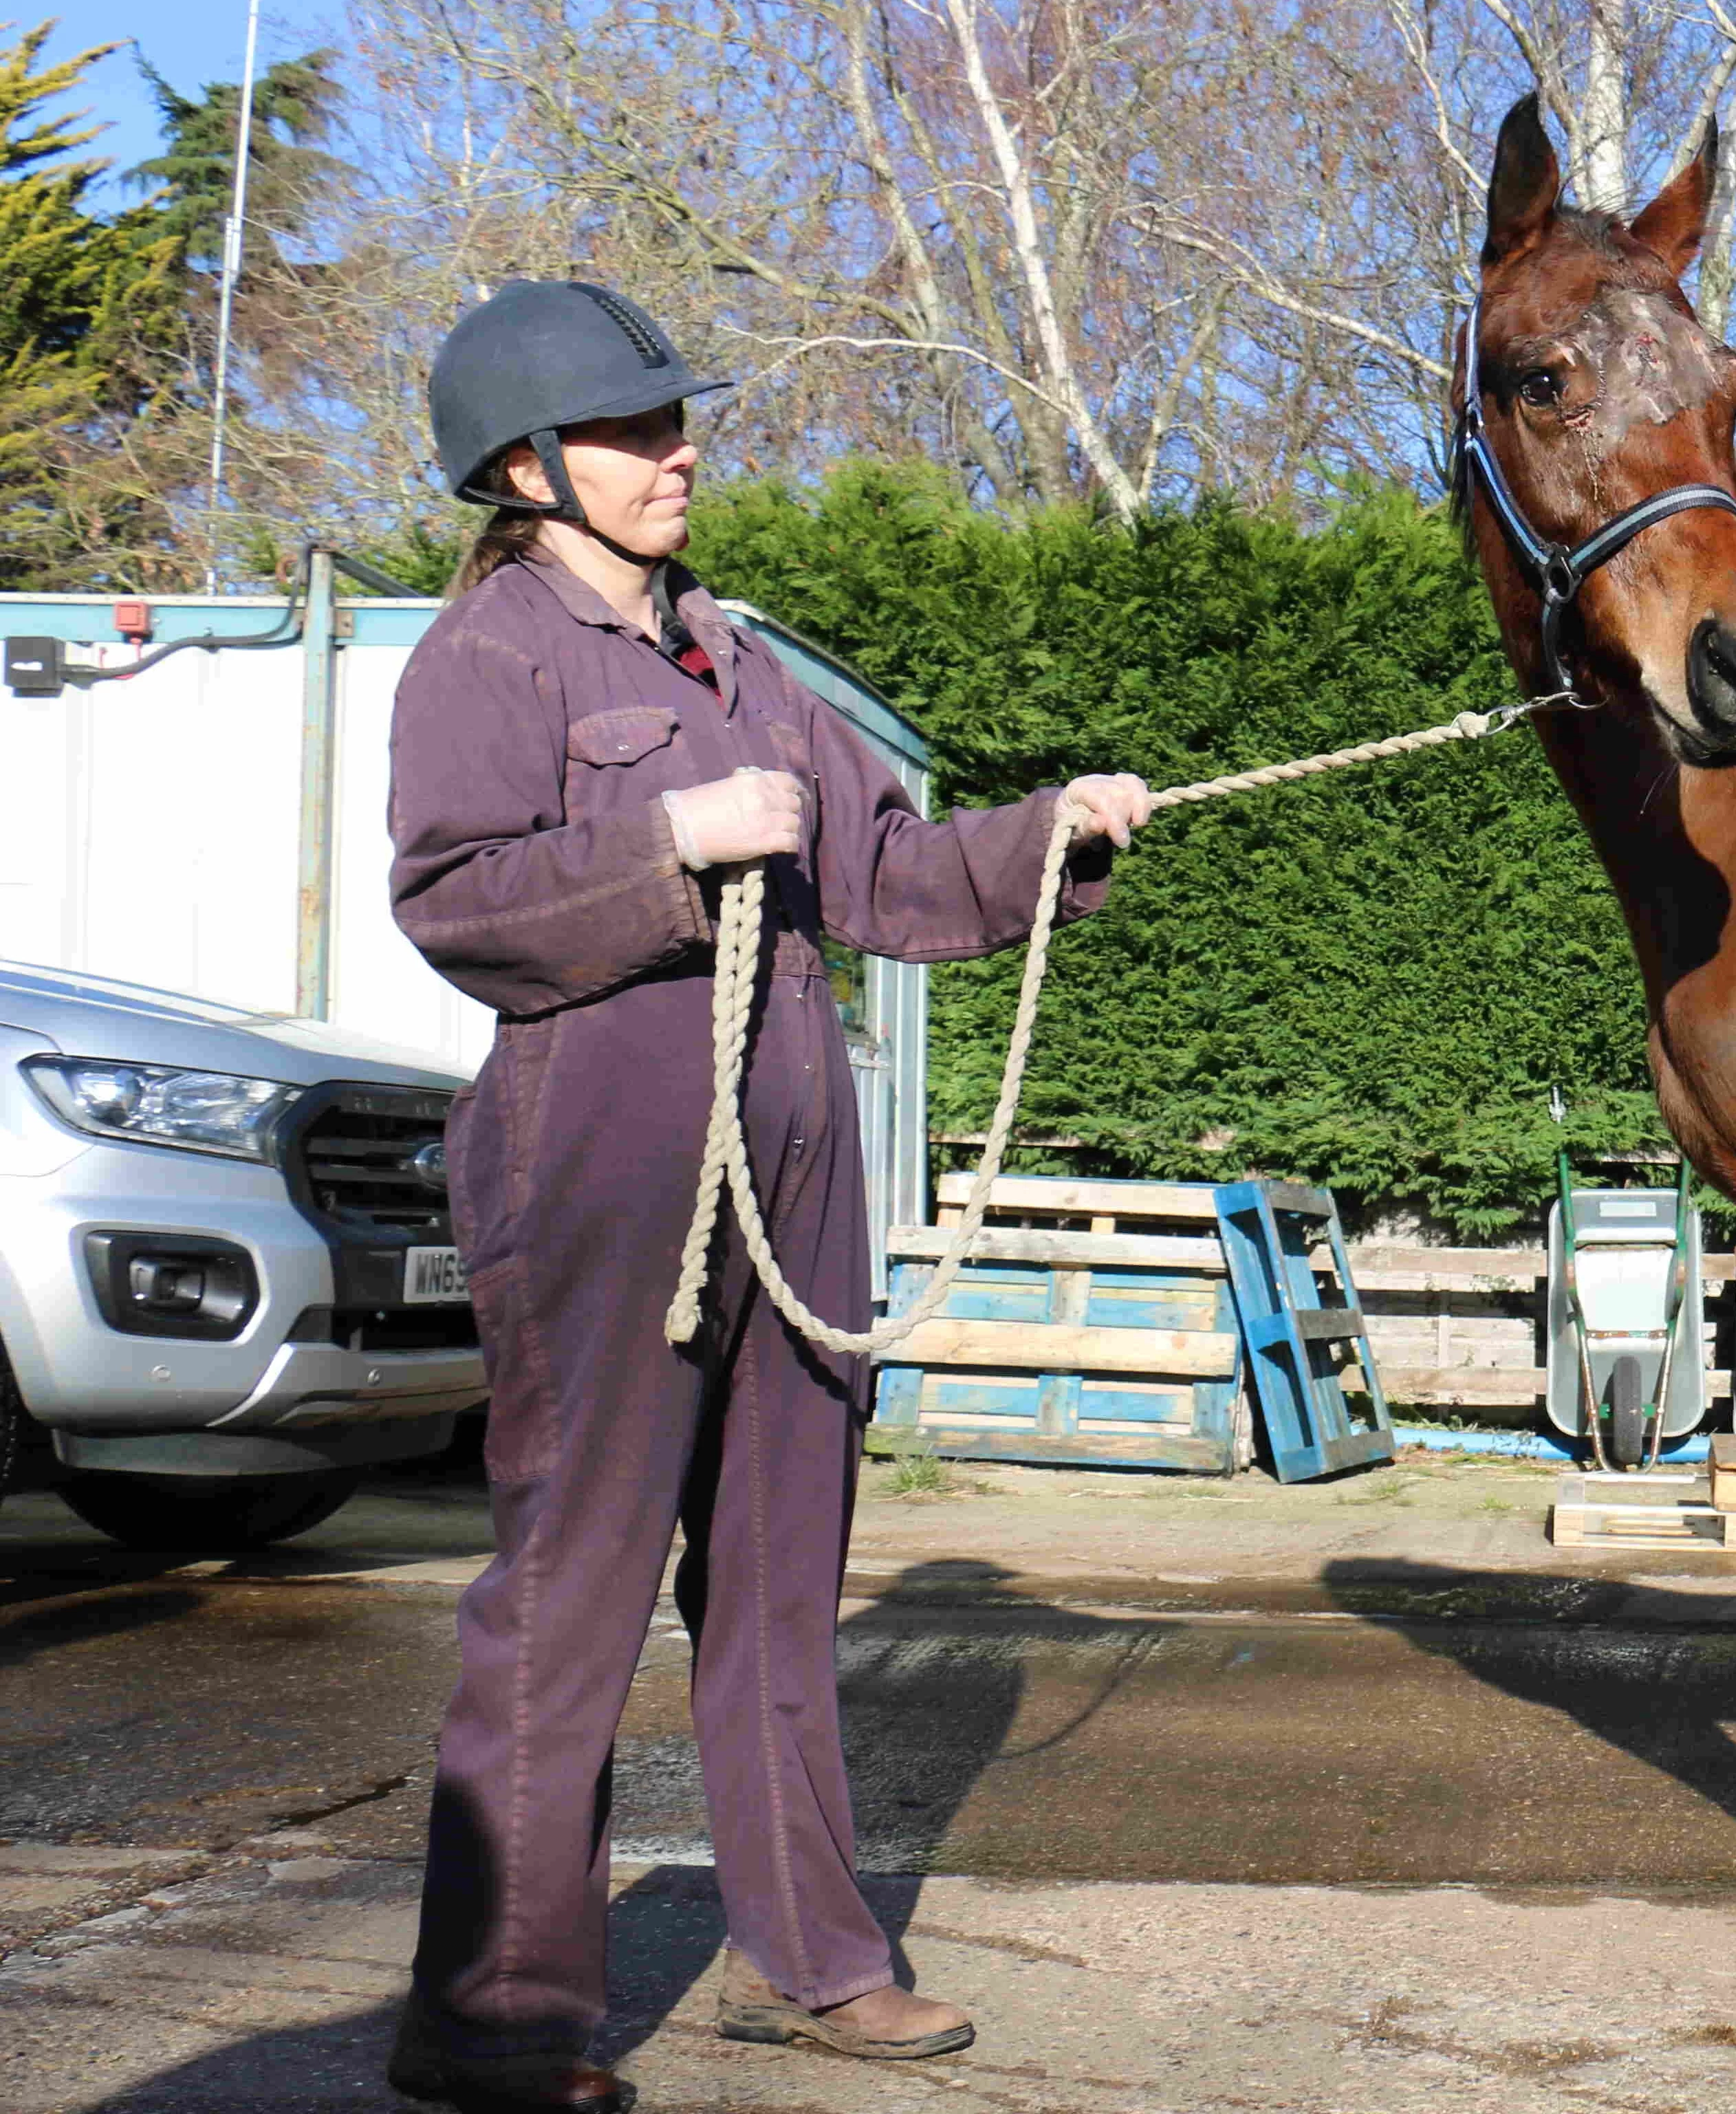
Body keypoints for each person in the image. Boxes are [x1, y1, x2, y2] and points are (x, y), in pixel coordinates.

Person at [380, 280, 1150, 2114]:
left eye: (676, 423)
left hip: (800, 1180)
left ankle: (815, 1958)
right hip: (601, 1180)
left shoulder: (751, 666)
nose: (679, 453)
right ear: (527, 463)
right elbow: (458, 906)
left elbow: (886, 873)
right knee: (568, 1599)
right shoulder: (488, 659)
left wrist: (1051, 834)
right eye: (638, 434)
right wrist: (666, 843)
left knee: (783, 1586)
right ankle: (488, 2018)